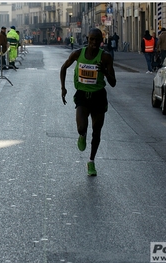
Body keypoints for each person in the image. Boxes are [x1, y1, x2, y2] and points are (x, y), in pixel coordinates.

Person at [60, 28, 116, 176]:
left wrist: (104, 71)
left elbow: (113, 82)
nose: (94, 43)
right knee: (81, 127)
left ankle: (91, 162)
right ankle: (82, 135)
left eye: (97, 40)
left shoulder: (106, 57)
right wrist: (63, 88)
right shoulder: (78, 54)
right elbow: (63, 67)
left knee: (97, 131)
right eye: (92, 39)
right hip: (82, 95)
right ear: (87, 39)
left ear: (101, 40)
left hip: (98, 96)